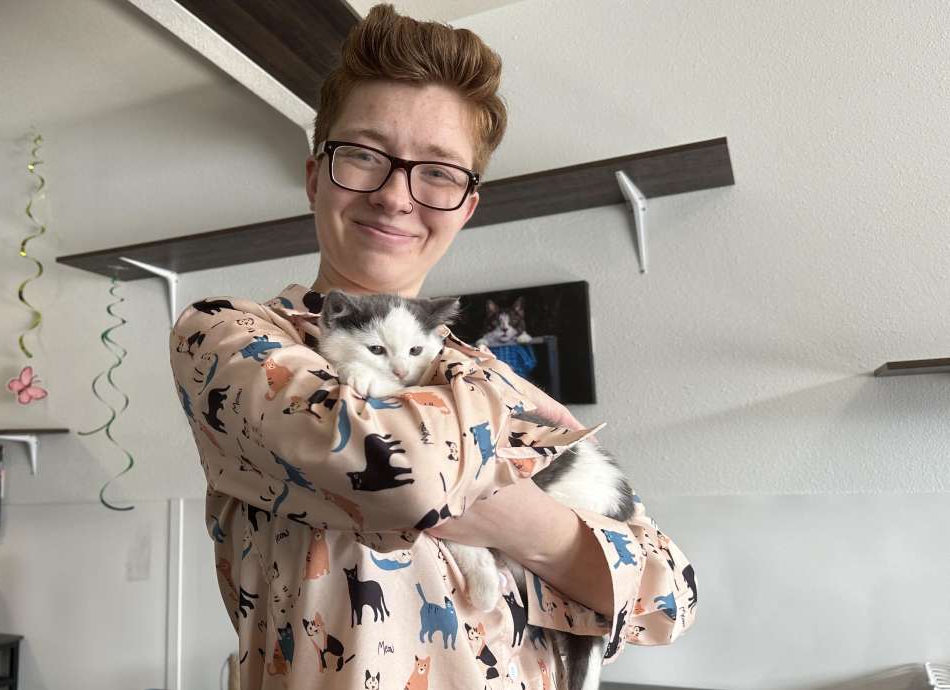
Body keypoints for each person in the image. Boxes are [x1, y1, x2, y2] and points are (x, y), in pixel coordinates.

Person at [168, 6, 696, 689]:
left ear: (466, 206)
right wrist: (531, 509)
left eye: (439, 173)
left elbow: (668, 596)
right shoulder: (228, 338)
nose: (394, 196)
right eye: (362, 155)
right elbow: (410, 480)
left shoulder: (482, 375)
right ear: (313, 176)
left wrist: (523, 523)